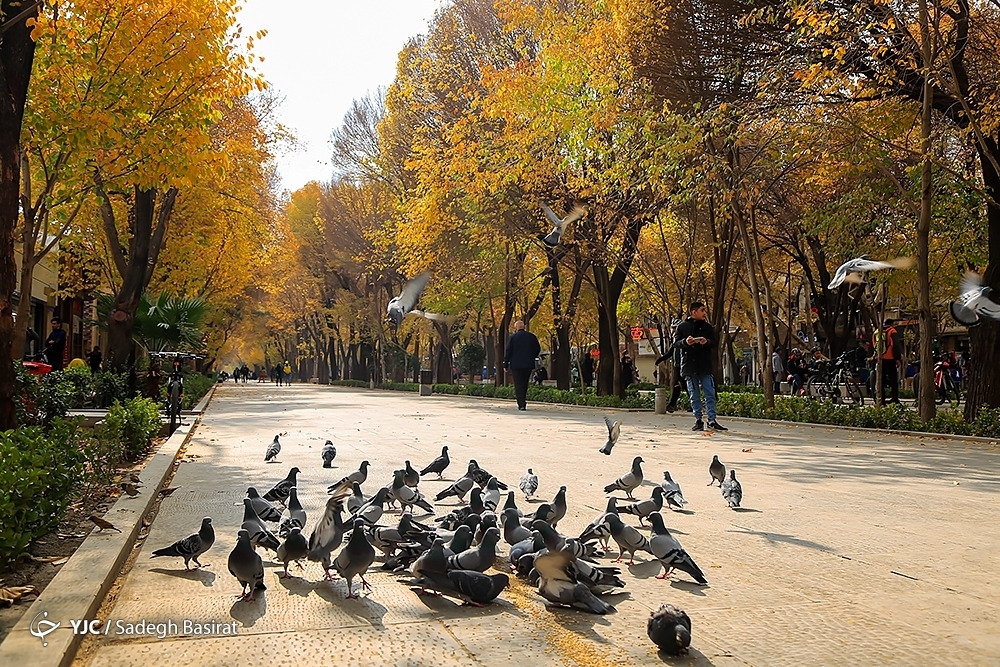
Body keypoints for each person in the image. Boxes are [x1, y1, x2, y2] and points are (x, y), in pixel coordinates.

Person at [674, 301, 726, 431]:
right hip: (689, 366)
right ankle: (698, 420)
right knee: (694, 394)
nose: (704, 313)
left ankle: (712, 420)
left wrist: (706, 341)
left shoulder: (708, 328)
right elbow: (675, 344)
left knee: (710, 392)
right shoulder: (682, 327)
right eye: (702, 310)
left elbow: (714, 342)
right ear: (694, 312)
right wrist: (685, 342)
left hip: (705, 365)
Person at [503, 320, 541, 411]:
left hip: (516, 365)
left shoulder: (513, 337)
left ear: (516, 328)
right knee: (524, 382)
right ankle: (523, 399)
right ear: (523, 327)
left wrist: (505, 363)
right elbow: (537, 349)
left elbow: (508, 351)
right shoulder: (531, 337)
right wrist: (532, 356)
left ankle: (521, 403)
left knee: (518, 383)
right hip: (528, 364)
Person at [873, 319, 902, 405]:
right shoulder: (892, 331)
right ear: (891, 324)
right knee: (893, 380)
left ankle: (881, 400)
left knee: (881, 380)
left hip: (880, 359)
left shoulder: (876, 332)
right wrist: (897, 358)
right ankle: (895, 399)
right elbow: (896, 345)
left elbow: (874, 345)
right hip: (890, 359)